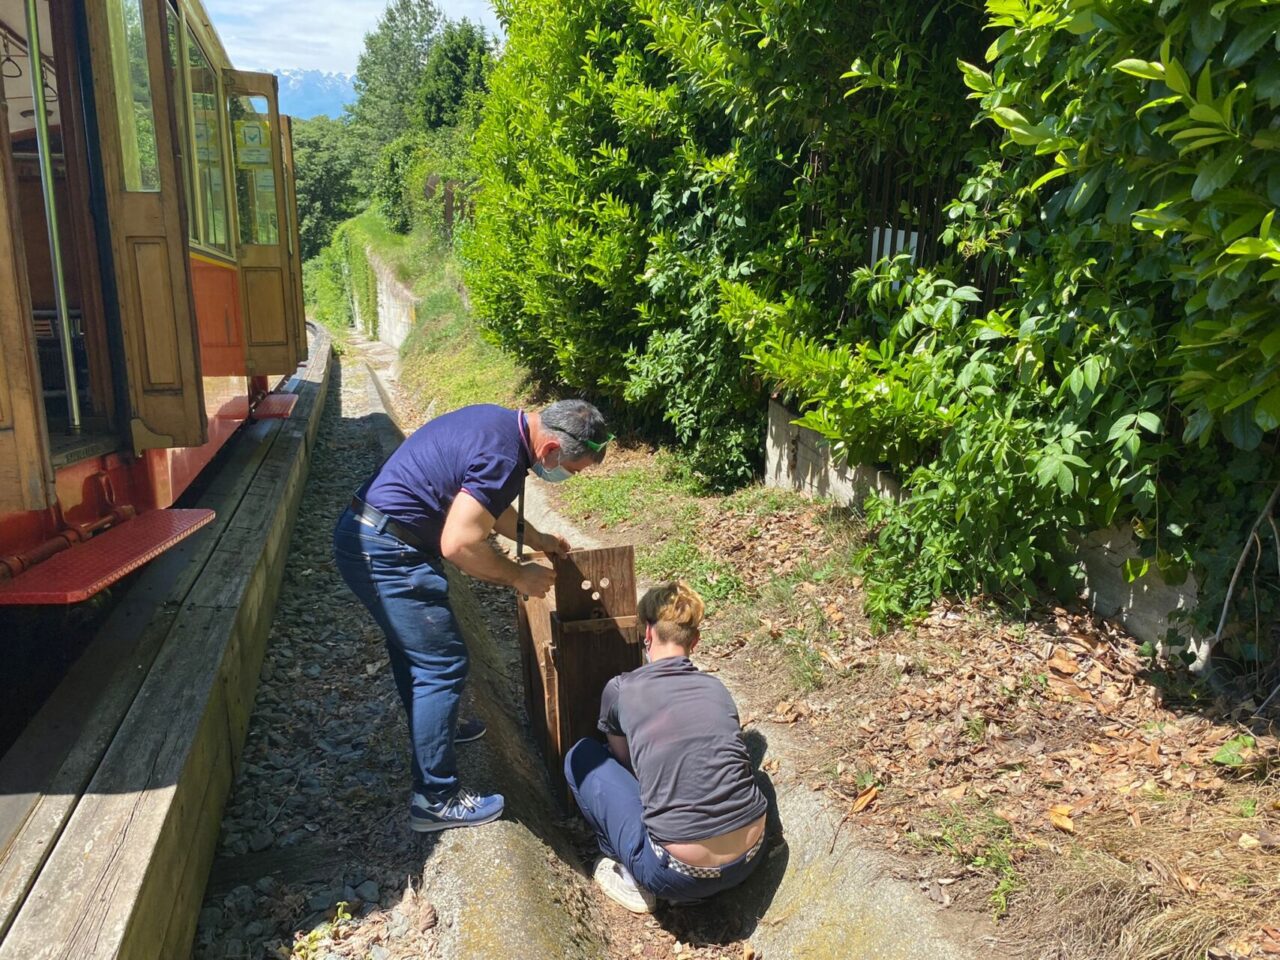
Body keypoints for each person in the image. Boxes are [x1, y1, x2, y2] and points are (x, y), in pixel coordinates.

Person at [334, 400, 610, 832]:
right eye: (571, 471)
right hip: (387, 551)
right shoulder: (504, 456)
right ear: (552, 449)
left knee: (416, 653)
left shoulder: (501, 427)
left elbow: (488, 505)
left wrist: (538, 538)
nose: (565, 478)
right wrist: (519, 576)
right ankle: (435, 799)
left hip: (372, 534)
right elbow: (459, 543)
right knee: (442, 665)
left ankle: (436, 735)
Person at [564, 582, 769, 912]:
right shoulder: (716, 689)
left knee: (582, 756)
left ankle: (628, 871)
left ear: (647, 633)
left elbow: (625, 763)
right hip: (750, 857)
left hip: (677, 874)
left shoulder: (621, 690)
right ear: (695, 641)